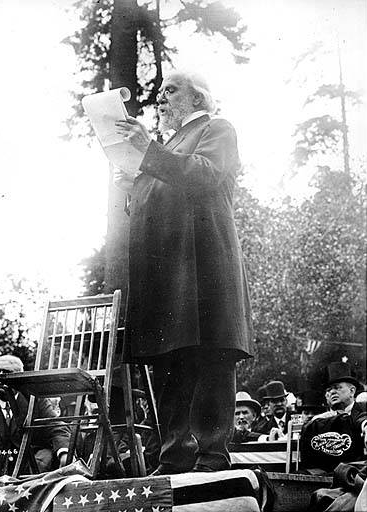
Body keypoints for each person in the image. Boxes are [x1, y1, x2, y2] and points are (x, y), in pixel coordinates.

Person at [115, 69, 254, 474]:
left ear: (198, 100)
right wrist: (135, 188)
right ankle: (173, 459)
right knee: (170, 361)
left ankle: (211, 457)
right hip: (170, 276)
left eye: (170, 91)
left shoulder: (217, 129)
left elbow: (205, 175)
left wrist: (149, 155)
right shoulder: (165, 147)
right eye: (160, 92)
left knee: (211, 357)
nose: (161, 98)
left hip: (206, 269)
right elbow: (158, 200)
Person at [0, 355, 71, 476]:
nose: (0, 377)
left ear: (19, 378)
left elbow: (56, 426)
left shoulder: (34, 401)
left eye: (6, 372)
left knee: (44, 458)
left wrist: (64, 453)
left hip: (31, 465)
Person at [301, 362, 367, 473]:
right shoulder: (319, 420)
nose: (332, 392)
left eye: (337, 388)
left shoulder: (362, 410)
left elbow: (362, 419)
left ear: (352, 391)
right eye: (329, 390)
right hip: (324, 473)